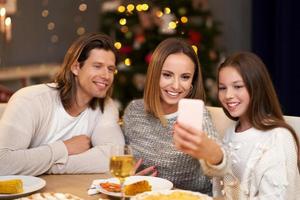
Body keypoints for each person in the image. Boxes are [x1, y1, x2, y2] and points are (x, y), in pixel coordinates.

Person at [174, 52, 300, 199]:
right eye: (222, 88)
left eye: (238, 86)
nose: (228, 95)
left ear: (257, 87)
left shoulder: (278, 138)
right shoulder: (230, 133)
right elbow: (223, 194)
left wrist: (216, 158)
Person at [0, 33, 125, 176]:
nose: (106, 76)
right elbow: (3, 164)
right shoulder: (30, 100)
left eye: (110, 69)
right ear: (76, 67)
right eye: (97, 66)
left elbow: (114, 158)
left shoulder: (106, 106)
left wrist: (47, 167)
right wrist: (64, 148)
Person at [123, 38, 224, 195]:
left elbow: (220, 169)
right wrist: (128, 178)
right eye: (167, 75)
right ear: (154, 75)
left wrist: (214, 154)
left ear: (192, 82)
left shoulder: (198, 115)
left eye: (185, 77)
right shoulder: (134, 111)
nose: (176, 85)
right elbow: (122, 159)